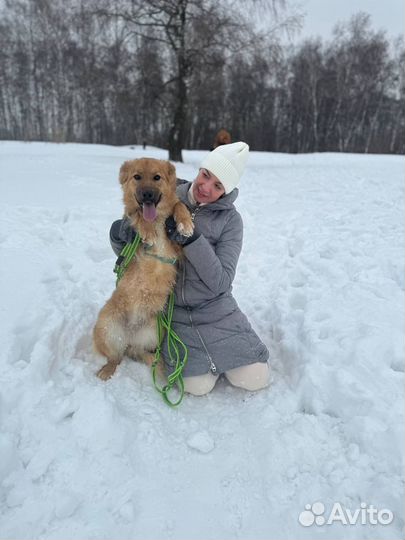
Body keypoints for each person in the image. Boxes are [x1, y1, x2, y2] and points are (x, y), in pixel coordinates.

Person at [110, 142, 270, 396]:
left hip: (216, 309)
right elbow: (138, 260)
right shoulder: (165, 197)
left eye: (218, 186)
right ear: (200, 169)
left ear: (227, 191)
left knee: (256, 377)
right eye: (206, 175)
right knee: (197, 386)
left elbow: (221, 282)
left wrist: (192, 240)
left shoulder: (230, 221)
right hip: (174, 312)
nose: (206, 188)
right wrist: (119, 237)